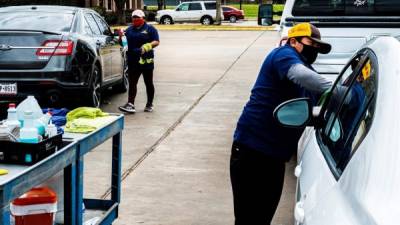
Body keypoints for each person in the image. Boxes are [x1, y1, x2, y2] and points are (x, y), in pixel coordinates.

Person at [230, 23, 332, 225]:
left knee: (262, 218)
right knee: (248, 218)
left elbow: (310, 105)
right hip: (252, 152)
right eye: (311, 43)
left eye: (318, 47)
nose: (315, 50)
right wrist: (338, 90)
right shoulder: (283, 54)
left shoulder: (305, 66)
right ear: (293, 41)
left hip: (275, 156)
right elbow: (302, 76)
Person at [119, 9, 160, 113]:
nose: (135, 19)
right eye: (134, 17)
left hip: (146, 61)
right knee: (132, 83)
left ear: (143, 18)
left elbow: (156, 41)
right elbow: (123, 43)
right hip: (133, 60)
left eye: (138, 17)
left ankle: (149, 104)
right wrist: (120, 36)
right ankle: (130, 104)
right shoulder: (129, 30)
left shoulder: (150, 29)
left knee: (148, 83)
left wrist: (146, 47)